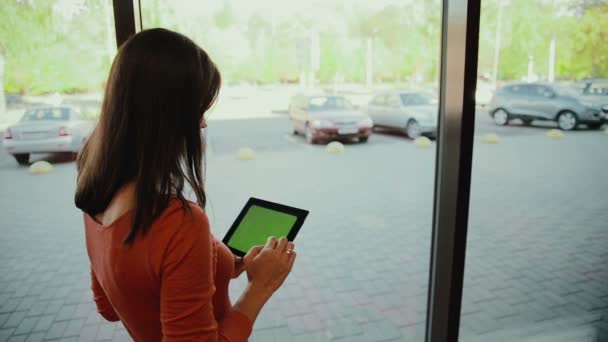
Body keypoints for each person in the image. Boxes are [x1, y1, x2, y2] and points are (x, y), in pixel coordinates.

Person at [74, 28, 296, 342]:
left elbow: (111, 305)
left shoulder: (95, 189)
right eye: (199, 110)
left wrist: (223, 264)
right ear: (168, 116)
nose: (202, 123)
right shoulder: (178, 223)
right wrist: (260, 288)